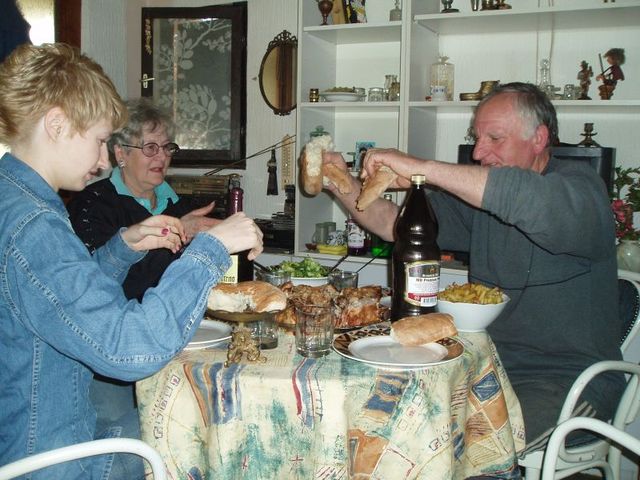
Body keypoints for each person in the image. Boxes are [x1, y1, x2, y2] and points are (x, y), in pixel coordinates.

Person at [0, 42, 263, 480]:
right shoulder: (34, 227)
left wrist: (122, 246)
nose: (105, 159)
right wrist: (212, 248)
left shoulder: (15, 201)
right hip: (53, 463)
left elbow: (59, 305)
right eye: (100, 141)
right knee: (218, 432)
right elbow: (130, 349)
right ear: (57, 125)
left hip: (38, 438)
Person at [322, 82, 623, 453]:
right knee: (388, 426)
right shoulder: (481, 206)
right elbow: (392, 223)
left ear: (539, 138)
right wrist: (341, 183)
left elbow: (521, 196)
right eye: (477, 139)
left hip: (569, 382)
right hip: (482, 369)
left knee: (471, 449)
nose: (479, 152)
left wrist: (422, 169)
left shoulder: (581, 190)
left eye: (494, 138)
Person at [65, 98, 223, 464]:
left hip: (175, 341)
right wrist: (180, 233)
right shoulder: (92, 204)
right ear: (120, 153)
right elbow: (103, 285)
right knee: (128, 449)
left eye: (167, 147)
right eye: (150, 147)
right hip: (113, 355)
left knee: (193, 426)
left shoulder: (177, 204)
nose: (161, 157)